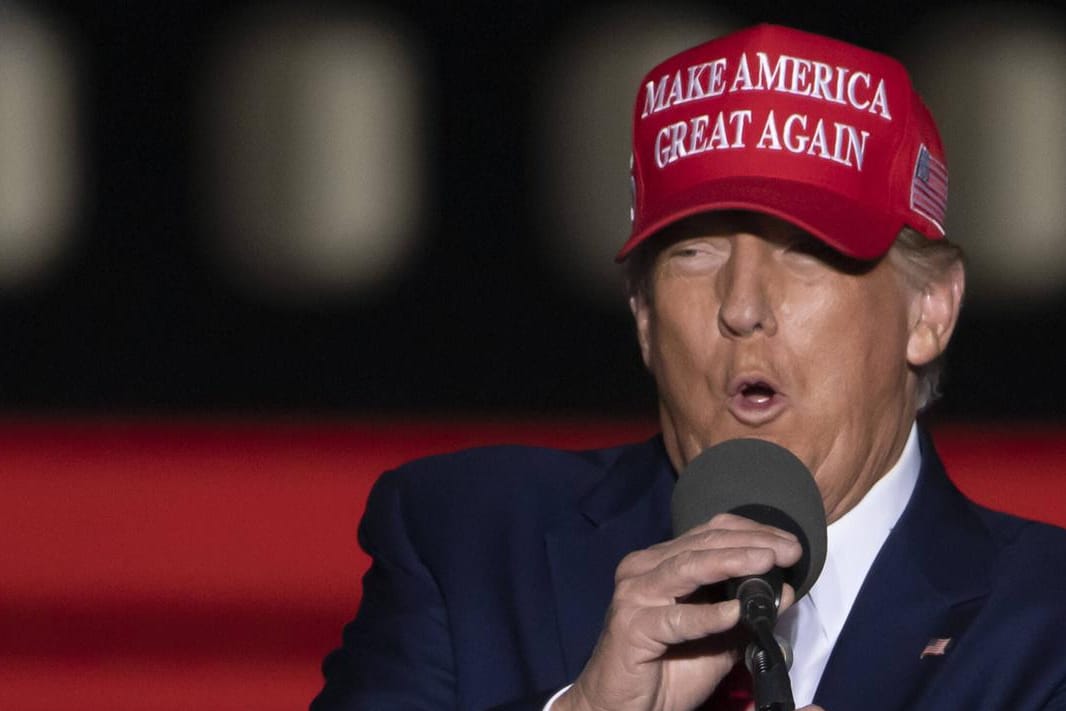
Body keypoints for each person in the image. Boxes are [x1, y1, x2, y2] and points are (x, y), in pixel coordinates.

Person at [312, 24, 1066, 711]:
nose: (741, 303)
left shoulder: (1045, 618)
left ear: (929, 308)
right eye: (693, 253)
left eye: (804, 251)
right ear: (643, 317)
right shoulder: (467, 543)